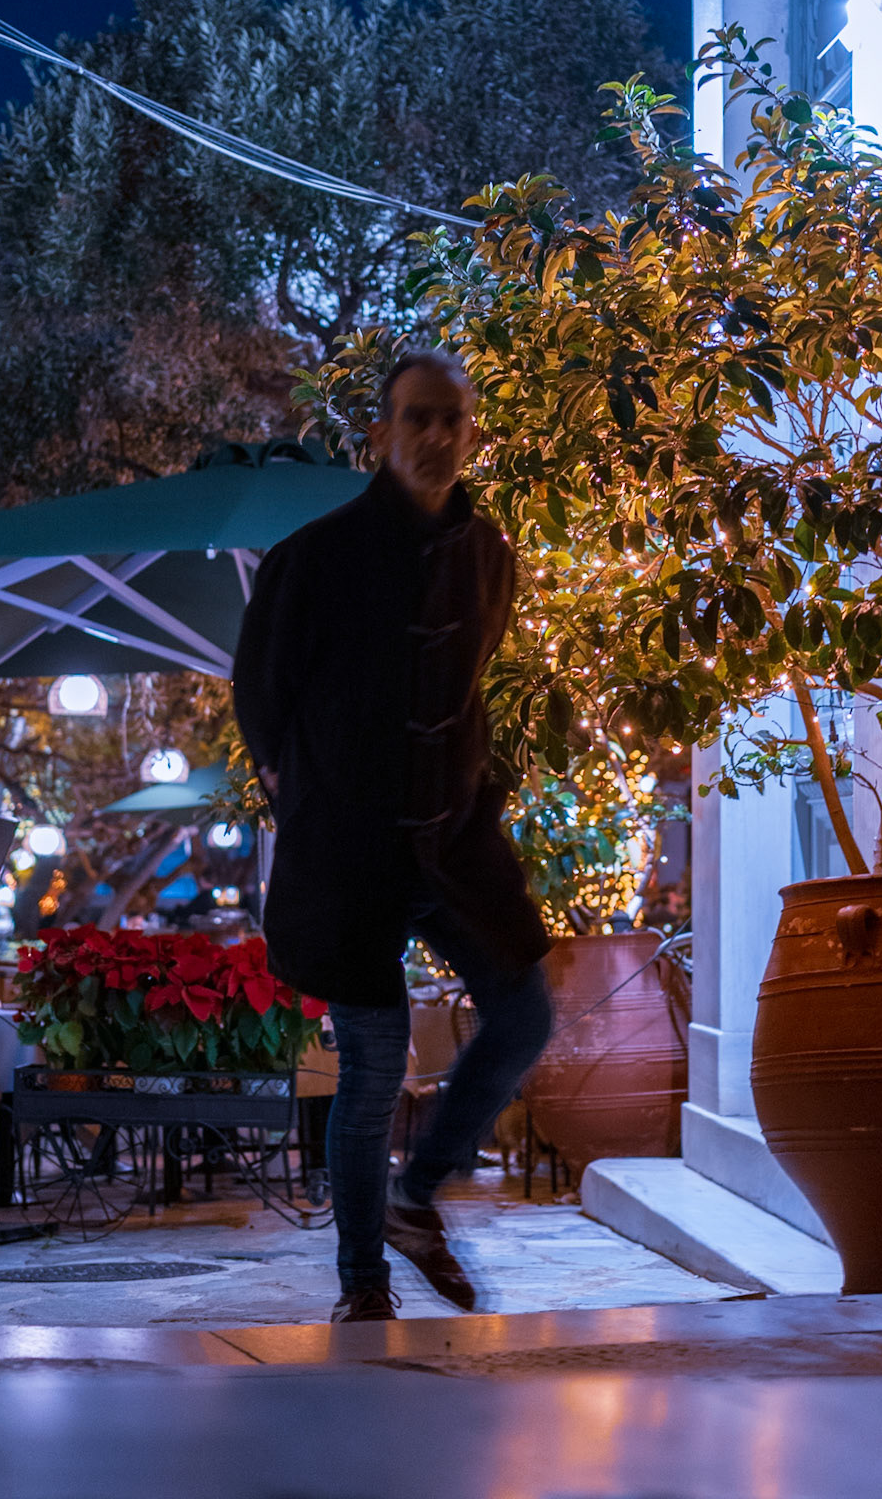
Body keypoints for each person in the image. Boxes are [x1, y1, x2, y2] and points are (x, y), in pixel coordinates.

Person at [233, 350, 552, 1322]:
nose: (434, 436)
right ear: (380, 431)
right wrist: (302, 797)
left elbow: (467, 687)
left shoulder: (488, 555)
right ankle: (362, 1285)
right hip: (347, 849)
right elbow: (260, 690)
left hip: (452, 840)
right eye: (416, 418)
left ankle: (417, 1197)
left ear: (470, 432)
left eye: (451, 419)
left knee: (524, 1013)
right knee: (369, 1071)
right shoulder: (316, 554)